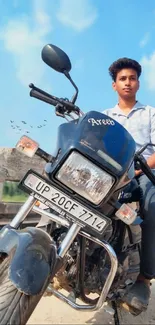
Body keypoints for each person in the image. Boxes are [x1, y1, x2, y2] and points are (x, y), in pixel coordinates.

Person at [103, 58, 155, 313]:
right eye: (123, 78)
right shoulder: (104, 117)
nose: (127, 82)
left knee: (151, 206)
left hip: (144, 172)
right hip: (113, 175)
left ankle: (144, 278)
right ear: (115, 85)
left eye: (132, 78)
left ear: (138, 83)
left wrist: (137, 169)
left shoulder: (150, 113)